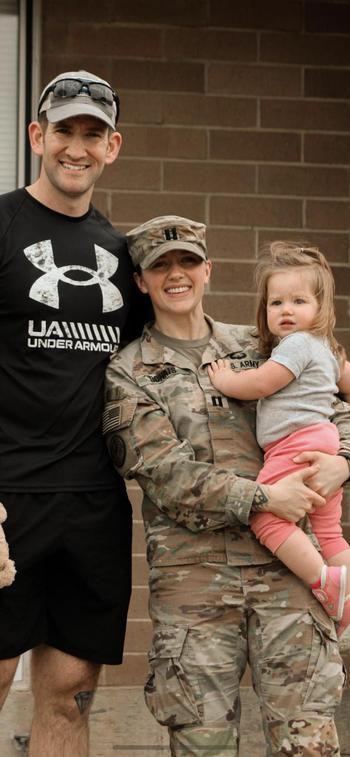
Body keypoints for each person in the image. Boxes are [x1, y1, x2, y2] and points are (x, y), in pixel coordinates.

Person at [104, 215, 350, 756]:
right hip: (196, 594)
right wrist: (265, 499)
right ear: (141, 281)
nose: (176, 274)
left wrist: (344, 461)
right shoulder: (129, 372)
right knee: (203, 746)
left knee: (307, 744)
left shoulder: (265, 345)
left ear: (207, 270)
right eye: (159, 265)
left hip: (287, 578)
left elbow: (336, 405)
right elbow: (166, 475)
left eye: (187, 261)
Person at [0, 70, 148, 757]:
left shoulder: (125, 257)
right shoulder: (0, 227)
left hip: (92, 505)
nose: (77, 147)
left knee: (68, 692)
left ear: (113, 146)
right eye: (65, 130)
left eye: (93, 133)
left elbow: (185, 350)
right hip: (8, 500)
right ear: (38, 136)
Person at [208, 242, 350, 648]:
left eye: (298, 300)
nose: (285, 310)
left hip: (295, 445)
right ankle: (348, 593)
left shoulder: (299, 345)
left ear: (320, 307)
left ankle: (326, 583)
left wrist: (224, 380)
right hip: (324, 442)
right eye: (276, 302)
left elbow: (259, 384)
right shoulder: (328, 348)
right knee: (329, 534)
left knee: (266, 519)